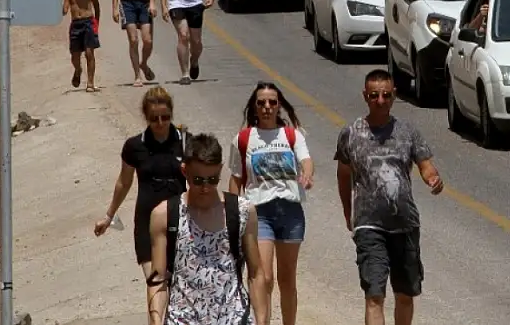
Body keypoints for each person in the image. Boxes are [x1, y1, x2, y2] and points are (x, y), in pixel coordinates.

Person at [334, 69, 444, 325]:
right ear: (365, 96)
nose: (380, 101)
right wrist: (347, 211)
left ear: (394, 96)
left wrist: (433, 180)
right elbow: (343, 175)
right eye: (374, 95)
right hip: (368, 225)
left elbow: (426, 165)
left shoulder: (408, 132)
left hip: (405, 225)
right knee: (374, 295)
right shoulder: (350, 134)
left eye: (385, 95)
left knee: (405, 295)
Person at [146, 132, 269, 325]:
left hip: (234, 318)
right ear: (184, 171)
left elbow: (256, 273)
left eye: (212, 180)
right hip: (182, 319)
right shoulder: (165, 215)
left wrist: (262, 321)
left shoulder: (242, 211)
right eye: (198, 180)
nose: (205, 187)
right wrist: (155, 320)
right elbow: (158, 279)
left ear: (220, 170)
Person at [95, 87, 186, 321]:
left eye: (165, 117)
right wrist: (109, 216)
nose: (160, 122)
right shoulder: (134, 146)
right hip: (147, 222)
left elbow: (203, 181)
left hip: (181, 221)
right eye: (154, 118)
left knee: (179, 286)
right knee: (156, 279)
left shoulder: (186, 143)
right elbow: (123, 183)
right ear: (145, 117)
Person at [228, 83, 313, 325]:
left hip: (290, 211)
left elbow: (306, 160)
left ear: (279, 105)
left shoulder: (292, 135)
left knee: (287, 278)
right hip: (258, 213)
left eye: (272, 102)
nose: (267, 107)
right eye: (262, 102)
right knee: (263, 277)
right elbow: (235, 179)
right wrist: (232, 217)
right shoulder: (243, 139)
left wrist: (306, 175)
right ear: (254, 107)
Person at [62, 0, 101, 91]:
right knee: (75, 55)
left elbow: (97, 6)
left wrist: (96, 22)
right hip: (76, 24)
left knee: (90, 53)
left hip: (88, 22)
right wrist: (63, 9)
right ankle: (78, 70)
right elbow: (66, 7)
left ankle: (90, 83)